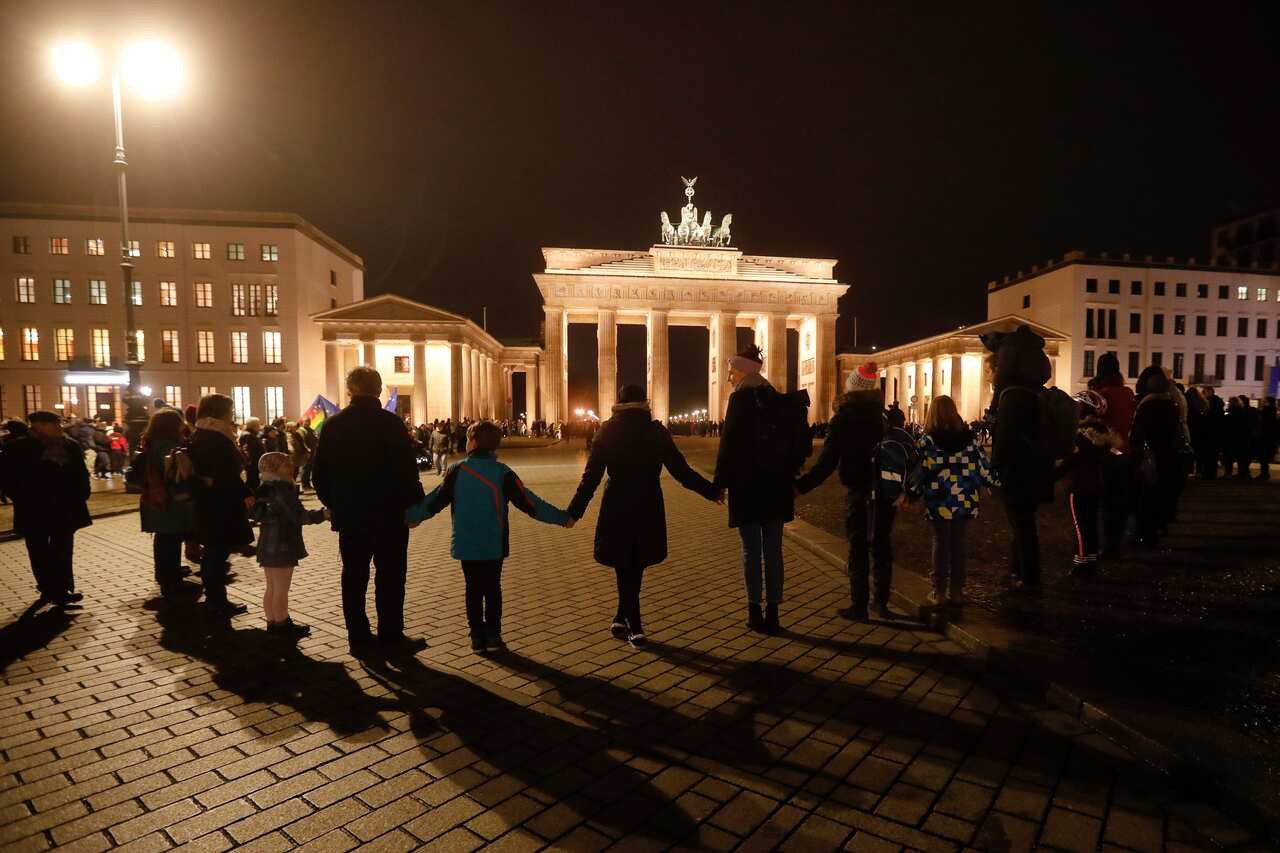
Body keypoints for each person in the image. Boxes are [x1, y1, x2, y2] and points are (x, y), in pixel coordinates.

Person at [567, 385, 720, 646]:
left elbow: (591, 477)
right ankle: (634, 624)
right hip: (648, 500)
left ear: (619, 403)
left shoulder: (607, 430)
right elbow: (681, 471)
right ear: (644, 404)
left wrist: (574, 512)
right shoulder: (657, 431)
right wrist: (711, 491)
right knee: (635, 563)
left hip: (616, 501)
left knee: (623, 563)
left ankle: (622, 616)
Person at [408, 421, 571, 651]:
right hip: (494, 543)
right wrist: (563, 518)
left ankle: (476, 636)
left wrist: (411, 517)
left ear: (472, 442)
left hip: (466, 544)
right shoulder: (503, 473)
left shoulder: (457, 471)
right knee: (493, 588)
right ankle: (494, 634)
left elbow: (434, 501)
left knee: (473, 589)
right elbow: (530, 503)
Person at [313, 366, 426, 655]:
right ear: (378, 390)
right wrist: (415, 505)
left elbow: (319, 475)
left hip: (351, 516)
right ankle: (391, 635)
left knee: (353, 576)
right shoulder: (390, 423)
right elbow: (406, 470)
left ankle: (358, 638)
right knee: (390, 577)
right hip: (389, 515)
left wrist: (336, 504)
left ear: (350, 390)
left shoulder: (334, 425)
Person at [714, 344, 810, 633]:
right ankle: (774, 612)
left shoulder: (739, 400)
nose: (729, 378)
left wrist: (720, 483)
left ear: (744, 371)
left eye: (731, 372)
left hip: (746, 487)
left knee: (750, 551)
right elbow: (801, 446)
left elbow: (728, 444)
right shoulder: (780, 399)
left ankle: (754, 611)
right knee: (774, 551)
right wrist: (790, 475)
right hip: (776, 487)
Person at [796, 362, 900, 620]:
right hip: (885, 491)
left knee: (858, 547)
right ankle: (882, 603)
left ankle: (859, 605)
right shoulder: (883, 417)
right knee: (882, 546)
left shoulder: (843, 418)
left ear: (851, 388)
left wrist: (801, 486)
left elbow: (827, 462)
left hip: (858, 489)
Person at [982, 325, 1055, 596]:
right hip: (1037, 466)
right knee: (1023, 522)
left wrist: (993, 472)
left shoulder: (1013, 395)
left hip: (1018, 470)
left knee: (1022, 524)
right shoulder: (1034, 391)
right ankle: (1018, 571)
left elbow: (1005, 439)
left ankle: (1029, 576)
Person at [908, 395, 995, 605]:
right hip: (964, 497)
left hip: (939, 498)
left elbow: (918, 471)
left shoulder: (928, 441)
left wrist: (912, 493)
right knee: (959, 542)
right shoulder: (970, 438)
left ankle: (939, 591)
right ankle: (957, 590)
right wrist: (993, 483)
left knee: (940, 541)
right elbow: (984, 467)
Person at [0, 411, 91, 605]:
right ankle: (48, 587)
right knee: (39, 549)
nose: (59, 427)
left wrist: (82, 494)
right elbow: (8, 478)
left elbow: (81, 473)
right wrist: (22, 498)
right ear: (38, 425)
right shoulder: (18, 447)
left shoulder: (69, 445)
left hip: (64, 507)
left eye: (59, 423)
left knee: (63, 549)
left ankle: (63, 588)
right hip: (34, 508)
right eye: (53, 424)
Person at [249, 452, 328, 638]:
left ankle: (272, 621)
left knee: (272, 586)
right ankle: (282, 623)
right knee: (281, 588)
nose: (291, 466)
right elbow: (298, 516)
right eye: (286, 464)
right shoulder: (282, 489)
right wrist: (323, 514)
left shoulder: (264, 487)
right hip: (282, 543)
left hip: (267, 542)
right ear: (275, 468)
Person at [188, 394, 254, 618]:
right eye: (229, 411)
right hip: (219, 505)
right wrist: (244, 492)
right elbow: (224, 474)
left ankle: (215, 599)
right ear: (218, 412)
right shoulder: (214, 437)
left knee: (215, 553)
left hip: (212, 503)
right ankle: (217, 601)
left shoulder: (203, 434)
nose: (231, 415)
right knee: (216, 553)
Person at [1056, 391, 1120, 575]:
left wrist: (1051, 475)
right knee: (1091, 523)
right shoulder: (1102, 433)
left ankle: (1082, 563)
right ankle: (1091, 558)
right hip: (1096, 485)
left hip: (1079, 485)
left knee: (1080, 526)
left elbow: (1069, 462)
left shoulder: (1081, 435)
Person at [137, 408, 197, 597]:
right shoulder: (167, 446)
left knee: (165, 540)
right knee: (169, 540)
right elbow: (177, 475)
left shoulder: (151, 442)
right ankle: (170, 582)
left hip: (155, 498)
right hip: (168, 500)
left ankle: (166, 575)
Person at [1088, 352, 1135, 555]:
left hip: (1107, 451)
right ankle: (1116, 540)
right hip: (1124, 450)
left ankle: (1107, 544)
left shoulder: (1101, 394)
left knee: (1107, 500)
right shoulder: (1127, 392)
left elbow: (1091, 422)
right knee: (1120, 498)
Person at [1130, 367, 1183, 546]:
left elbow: (1138, 433)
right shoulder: (1171, 405)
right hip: (1168, 454)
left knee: (1146, 496)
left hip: (1150, 454)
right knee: (1161, 493)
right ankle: (1158, 527)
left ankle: (1145, 533)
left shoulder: (1146, 405)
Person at [239, 418, 266, 491]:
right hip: (253, 465)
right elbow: (247, 451)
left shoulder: (250, 435)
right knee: (252, 484)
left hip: (253, 464)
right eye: (258, 425)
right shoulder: (248, 435)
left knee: (254, 483)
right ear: (254, 426)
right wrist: (251, 464)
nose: (259, 427)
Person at [1258, 397, 1277, 481]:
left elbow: (1263, 424)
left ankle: (1264, 474)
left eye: (1264, 401)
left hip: (1265, 437)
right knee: (1263, 457)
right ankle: (1264, 474)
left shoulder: (1266, 411)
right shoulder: (1272, 411)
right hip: (1268, 437)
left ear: (1268, 402)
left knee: (1263, 457)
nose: (1262, 402)